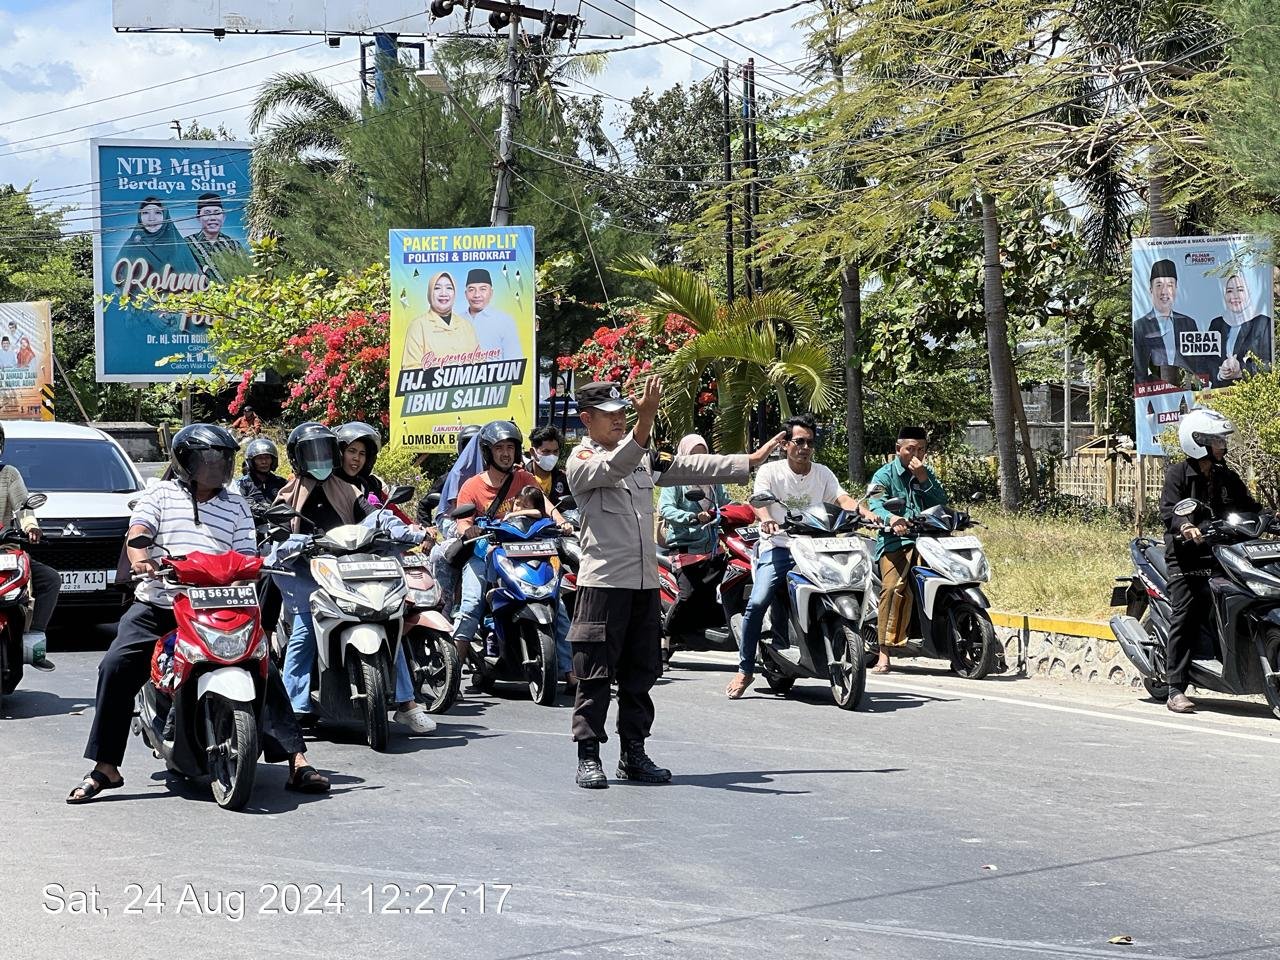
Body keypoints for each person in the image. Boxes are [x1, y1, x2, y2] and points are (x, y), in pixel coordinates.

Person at [67, 424, 328, 803]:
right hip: (162, 604)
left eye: (221, 459)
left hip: (221, 604)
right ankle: (106, 766)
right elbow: (139, 530)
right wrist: (140, 556)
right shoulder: (159, 493)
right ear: (185, 462)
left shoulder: (236, 502)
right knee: (116, 666)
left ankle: (297, 759)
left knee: (265, 667)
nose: (215, 467)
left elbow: (244, 555)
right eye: (207, 459)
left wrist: (261, 565)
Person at [567, 378, 784, 788]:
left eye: (623, 414)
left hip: (646, 583)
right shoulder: (582, 460)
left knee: (640, 673)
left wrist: (749, 461)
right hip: (604, 584)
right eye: (610, 416)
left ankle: (633, 754)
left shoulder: (643, 455)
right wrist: (644, 422)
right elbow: (617, 465)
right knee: (594, 673)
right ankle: (589, 755)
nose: (619, 421)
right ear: (587, 419)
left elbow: (689, 466)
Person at [273, 422, 436, 735]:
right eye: (312, 453)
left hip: (351, 567)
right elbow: (279, 533)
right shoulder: (288, 493)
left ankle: (407, 704)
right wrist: (293, 542)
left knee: (388, 621)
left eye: (325, 452)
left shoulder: (348, 487)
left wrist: (404, 530)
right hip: (308, 573)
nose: (320, 459)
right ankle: (293, 707)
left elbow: (374, 513)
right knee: (306, 628)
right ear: (298, 458)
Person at [727, 415, 866, 699]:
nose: (805, 447)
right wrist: (766, 520)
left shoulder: (823, 473)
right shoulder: (771, 472)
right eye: (799, 441)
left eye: (810, 443)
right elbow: (760, 502)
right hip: (779, 546)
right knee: (757, 601)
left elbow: (842, 499)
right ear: (785, 444)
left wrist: (865, 513)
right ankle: (744, 669)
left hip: (817, 548)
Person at [451, 421, 573, 677]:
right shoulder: (472, 486)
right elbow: (462, 522)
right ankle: (452, 671)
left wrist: (562, 523)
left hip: (525, 552)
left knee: (556, 604)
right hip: (484, 554)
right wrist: (468, 530)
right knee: (472, 605)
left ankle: (570, 672)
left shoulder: (525, 478)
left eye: (510, 447)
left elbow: (547, 505)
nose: (505, 453)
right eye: (499, 448)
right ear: (488, 452)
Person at [1158, 409, 1258, 714]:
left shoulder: (1227, 476)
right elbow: (1170, 512)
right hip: (1188, 560)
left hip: (1224, 555)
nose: (1222, 445)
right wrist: (1187, 527)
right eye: (1216, 440)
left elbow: (1250, 508)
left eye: (1222, 440)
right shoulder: (1177, 475)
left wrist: (1269, 519)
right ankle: (1175, 687)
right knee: (1186, 612)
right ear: (1197, 442)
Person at [865, 426, 948, 674]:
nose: (916, 454)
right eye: (910, 449)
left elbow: (941, 503)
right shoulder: (884, 475)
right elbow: (875, 505)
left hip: (928, 540)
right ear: (898, 449)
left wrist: (924, 478)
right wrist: (892, 519)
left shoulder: (926, 472)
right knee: (893, 588)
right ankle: (884, 653)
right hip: (896, 542)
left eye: (921, 449)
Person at [657, 434, 730, 657]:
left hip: (714, 549)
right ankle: (664, 639)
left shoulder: (714, 481)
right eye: (694, 456)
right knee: (688, 595)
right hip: (686, 550)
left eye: (703, 455)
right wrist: (692, 517)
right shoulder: (675, 480)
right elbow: (666, 509)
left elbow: (726, 504)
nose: (699, 460)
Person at [0, 423, 60, 670]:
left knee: (49, 580)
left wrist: (30, 526)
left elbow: (23, 507)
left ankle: (33, 639)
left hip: (4, 549)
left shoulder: (8, 474)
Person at [1133, 258, 1197, 385]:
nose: (1164, 291)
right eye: (1159, 285)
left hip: (1189, 394)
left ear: (1176, 289)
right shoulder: (1140, 326)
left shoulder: (1188, 323)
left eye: (1170, 285)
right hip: (1156, 396)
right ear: (1150, 289)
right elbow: (1140, 371)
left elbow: (1195, 365)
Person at [402, 272, 480, 370]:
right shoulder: (418, 326)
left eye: (449, 288)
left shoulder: (466, 326)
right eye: (437, 288)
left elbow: (479, 364)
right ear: (430, 293)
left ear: (455, 293)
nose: (444, 293)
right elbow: (411, 370)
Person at [1208, 272, 1273, 387]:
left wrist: (1241, 371)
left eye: (1240, 290)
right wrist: (1220, 373)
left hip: (1250, 397)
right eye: (1229, 291)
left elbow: (1270, 364)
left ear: (1250, 291)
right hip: (1218, 398)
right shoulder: (1216, 324)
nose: (1234, 296)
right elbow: (1207, 362)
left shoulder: (1263, 323)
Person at [114, 197, 203, 280]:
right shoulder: (130, 247)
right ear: (139, 217)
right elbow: (118, 280)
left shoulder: (179, 246)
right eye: (145, 213)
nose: (151, 218)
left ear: (166, 216)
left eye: (158, 212)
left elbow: (195, 279)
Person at [463, 268, 523, 361]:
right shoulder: (456, 320)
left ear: (491, 292)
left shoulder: (504, 321)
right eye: (471, 289)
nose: (477, 295)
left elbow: (514, 361)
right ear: (466, 294)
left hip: (494, 375)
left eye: (483, 289)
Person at [185, 192, 244, 282]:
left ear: (223, 217)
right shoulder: (187, 244)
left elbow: (244, 274)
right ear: (198, 218)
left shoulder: (234, 245)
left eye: (217, 213)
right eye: (207, 213)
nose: (212, 218)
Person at [525, 424, 572, 508]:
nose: (552, 456)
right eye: (546, 451)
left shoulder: (564, 478)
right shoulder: (521, 478)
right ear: (533, 452)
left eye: (555, 451)